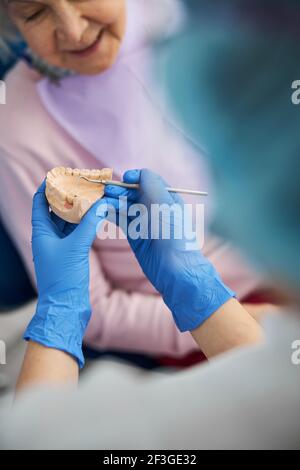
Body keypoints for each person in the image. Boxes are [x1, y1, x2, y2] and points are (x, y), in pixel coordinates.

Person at [1, 0, 300, 450]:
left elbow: (31, 436)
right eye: (35, 13)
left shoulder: (201, 40)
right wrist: (216, 309)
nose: (74, 29)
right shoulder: (16, 126)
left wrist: (58, 316)